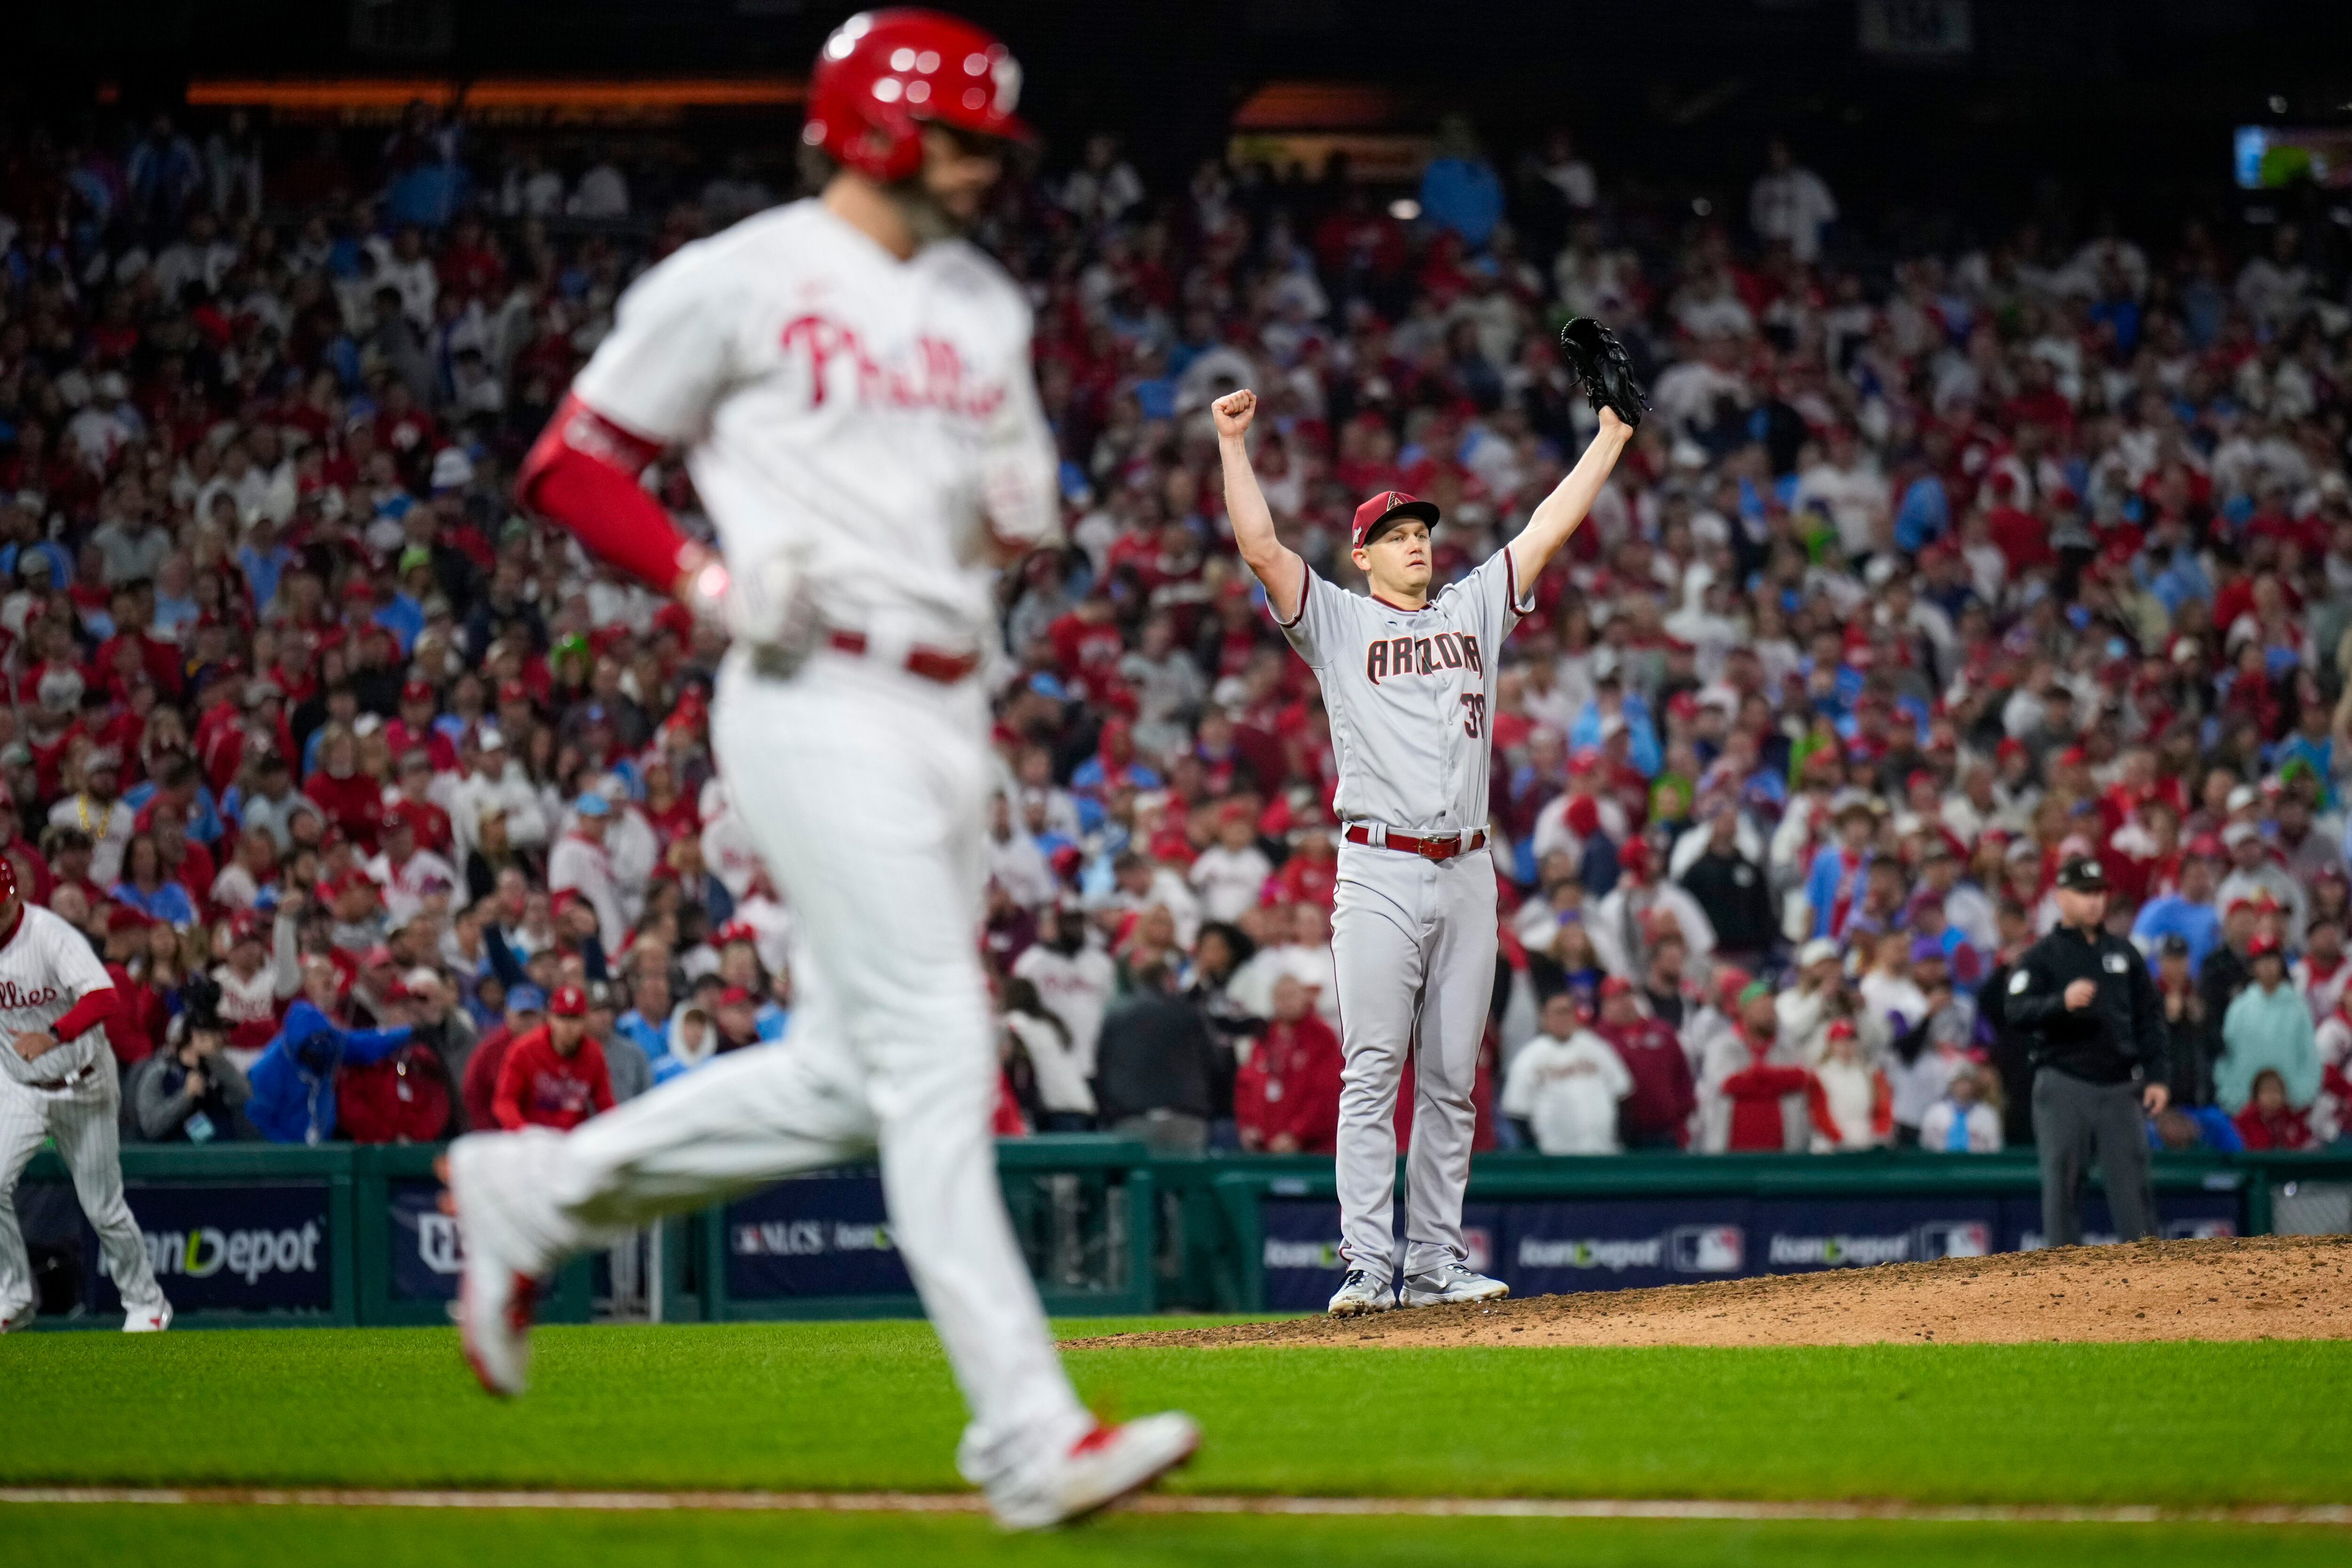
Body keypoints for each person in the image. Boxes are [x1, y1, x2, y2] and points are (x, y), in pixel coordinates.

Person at [438, 11, 1196, 1528]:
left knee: (853, 1078)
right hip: (807, 689)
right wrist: (705, 584)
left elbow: (1010, 512)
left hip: (945, 704)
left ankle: (540, 1191)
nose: (988, 170)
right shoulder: (743, 275)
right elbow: (570, 464)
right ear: (875, 131)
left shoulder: (983, 299)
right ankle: (1029, 1435)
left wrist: (1012, 509)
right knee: (939, 1056)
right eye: (965, 139)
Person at [1212, 353, 1630, 1318]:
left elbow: (1547, 525)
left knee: (1450, 1077)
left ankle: (1436, 1264)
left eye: (1420, 533)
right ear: (1362, 554)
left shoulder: (1472, 607)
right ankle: (1367, 1265)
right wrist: (1233, 446)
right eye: (1394, 535)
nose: (1414, 545)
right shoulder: (1339, 622)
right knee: (1373, 1069)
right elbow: (1260, 546)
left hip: (1468, 867)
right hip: (1380, 867)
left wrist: (1609, 435)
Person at [0, 857, 175, 1331]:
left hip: (84, 1082)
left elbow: (104, 998)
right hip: (18, 1085)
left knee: (104, 1209)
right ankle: (13, 1297)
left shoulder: (49, 934)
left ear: (14, 895)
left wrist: (54, 1035)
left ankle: (147, 1303)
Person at [2004, 856, 2168, 1247]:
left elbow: (2150, 1019)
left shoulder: (2125, 953)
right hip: (2064, 1081)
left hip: (2119, 1086)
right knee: (2062, 1183)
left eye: (2099, 893)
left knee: (2134, 1187)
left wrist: (2159, 1077)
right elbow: (2015, 1010)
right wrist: (2060, 1001)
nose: (2094, 902)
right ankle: (2063, 1281)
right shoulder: (2042, 956)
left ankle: (2151, 1278)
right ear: (2061, 897)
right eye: (2084, 893)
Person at [1092, 963, 1217, 1153]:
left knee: (1138, 1181)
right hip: (1184, 1116)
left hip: (1132, 1118)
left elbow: (1102, 1067)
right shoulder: (1190, 1013)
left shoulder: (1117, 1015)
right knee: (1185, 1181)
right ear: (1168, 980)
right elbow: (1213, 1062)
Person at [1500, 990, 1632, 1154]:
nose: (1564, 1018)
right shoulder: (1529, 1057)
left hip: (1603, 1151)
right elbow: (1518, 1111)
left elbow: (1622, 1094)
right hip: (1554, 1159)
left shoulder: (1597, 1048)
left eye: (1568, 1011)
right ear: (1544, 1017)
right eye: (1558, 1012)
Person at [1233, 974, 1343, 1155]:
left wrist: (1296, 1134)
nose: (1286, 1002)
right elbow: (1246, 1085)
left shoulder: (1322, 1037)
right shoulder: (1264, 1038)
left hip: (1312, 1150)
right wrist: (1248, 1125)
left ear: (1305, 998)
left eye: (1292, 996)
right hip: (1265, 1149)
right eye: (1281, 997)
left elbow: (1326, 1093)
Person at [2217, 932, 2321, 1115]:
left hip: (2292, 1110)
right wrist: (2232, 1098)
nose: (2268, 966)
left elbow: (2310, 1056)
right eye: (2261, 961)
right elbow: (2226, 1056)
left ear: (2281, 964)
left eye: (2273, 960)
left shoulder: (2297, 1007)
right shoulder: (2240, 1008)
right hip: (2246, 1110)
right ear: (2253, 967)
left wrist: (2303, 1096)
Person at [492, 984, 614, 1131]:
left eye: (575, 1018)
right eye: (562, 1017)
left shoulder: (593, 1053)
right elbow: (505, 1102)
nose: (568, 1026)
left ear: (584, 1020)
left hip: (575, 1139)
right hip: (532, 1138)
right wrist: (525, 1132)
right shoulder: (524, 1050)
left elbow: (605, 1102)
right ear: (550, 1018)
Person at [1918, 1067, 2003, 1153]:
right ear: (1952, 1084)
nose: (1964, 1087)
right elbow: (1926, 1145)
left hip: (1976, 1165)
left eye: (1968, 1082)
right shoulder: (1935, 1112)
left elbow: (1994, 1148)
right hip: (1941, 1164)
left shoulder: (1987, 1114)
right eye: (1960, 1082)